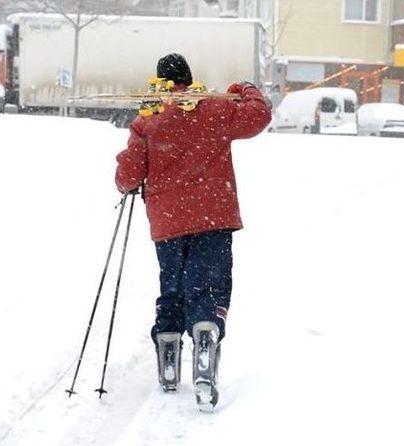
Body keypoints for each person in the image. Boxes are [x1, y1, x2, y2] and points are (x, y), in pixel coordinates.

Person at [115, 53, 271, 411]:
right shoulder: (216, 109)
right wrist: (242, 88)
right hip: (213, 218)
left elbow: (128, 177)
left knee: (172, 286)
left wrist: (134, 152)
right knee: (208, 287)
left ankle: (169, 351)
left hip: (168, 220)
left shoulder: (149, 120)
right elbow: (258, 115)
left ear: (161, 83)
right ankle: (205, 334)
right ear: (190, 78)